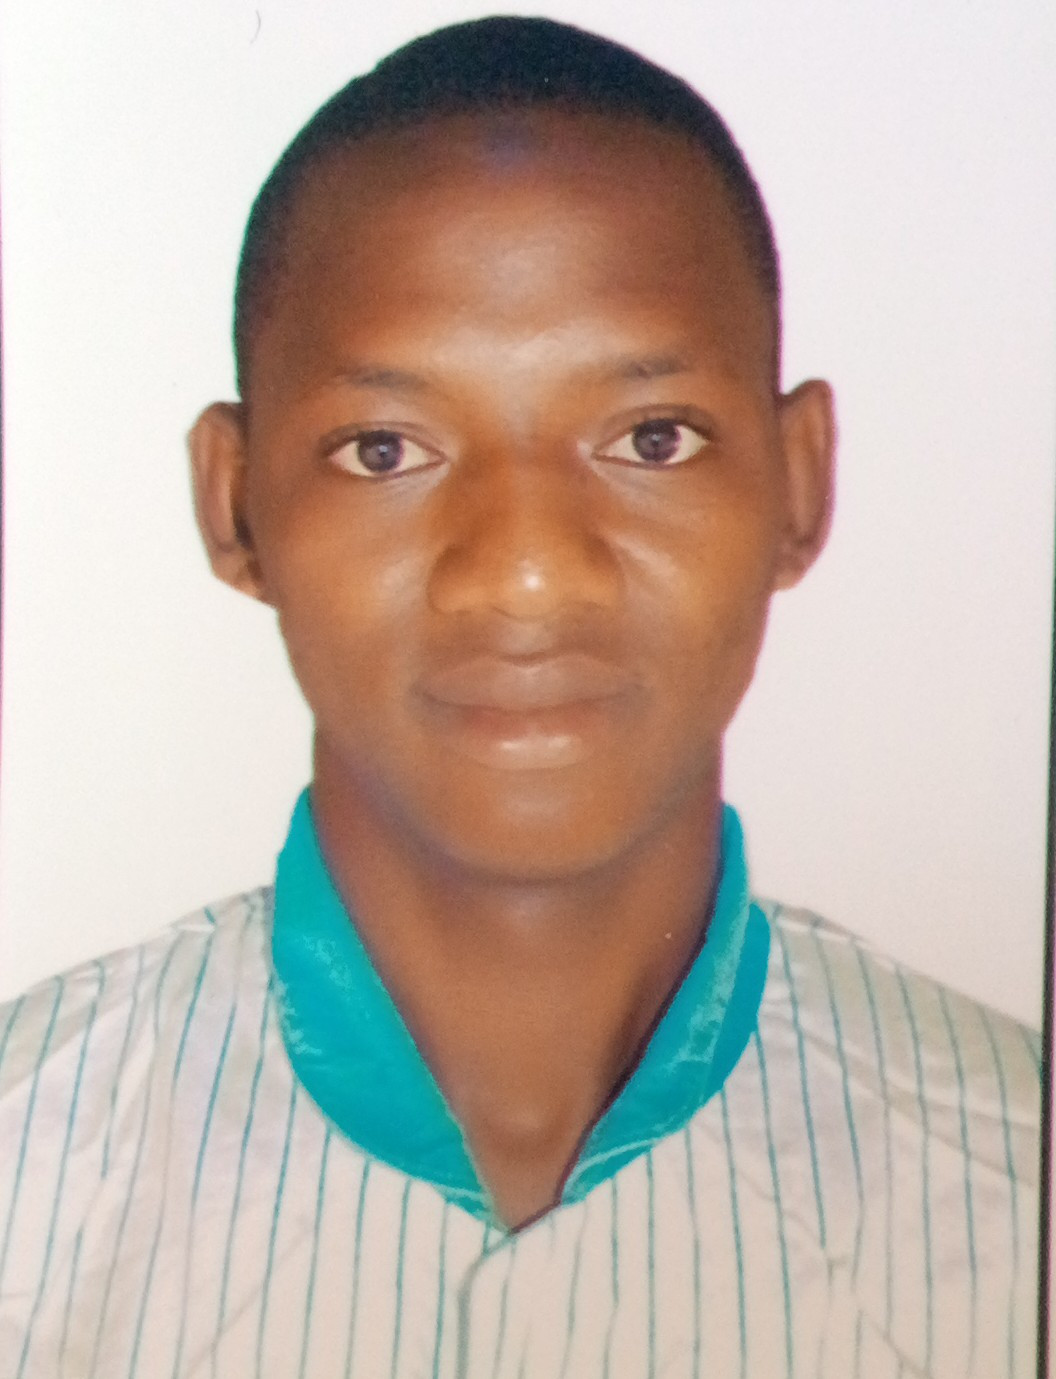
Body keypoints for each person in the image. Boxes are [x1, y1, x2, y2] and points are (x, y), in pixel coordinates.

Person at [0, 16, 1040, 1378]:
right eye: (386, 449)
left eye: (651, 438)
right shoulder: (25, 1187)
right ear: (234, 505)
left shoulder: (1020, 1191)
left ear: (799, 483)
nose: (530, 572)